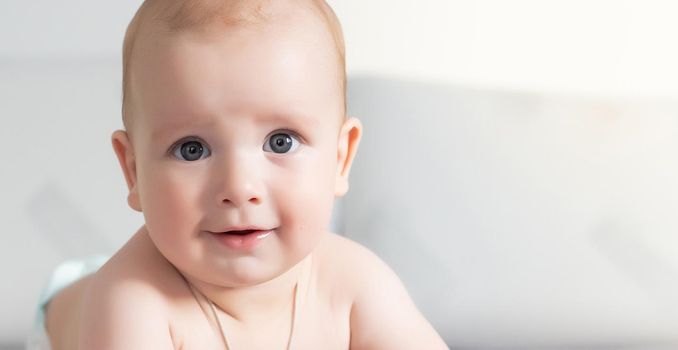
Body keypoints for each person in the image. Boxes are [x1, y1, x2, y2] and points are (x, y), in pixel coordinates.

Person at [41, 0, 449, 349]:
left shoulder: (354, 282)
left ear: (340, 158)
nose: (239, 188)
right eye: (192, 149)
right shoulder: (131, 301)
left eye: (281, 142)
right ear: (133, 172)